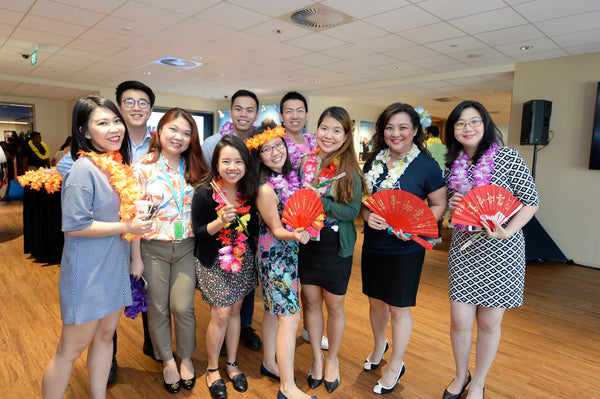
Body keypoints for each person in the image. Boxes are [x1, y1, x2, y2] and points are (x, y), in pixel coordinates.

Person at [41, 96, 152, 399]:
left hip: (113, 266)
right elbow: (76, 225)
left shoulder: (118, 167)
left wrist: (134, 255)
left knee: (105, 338)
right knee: (69, 349)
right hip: (87, 271)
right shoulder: (83, 169)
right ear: (85, 132)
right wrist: (127, 227)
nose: (114, 128)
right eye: (102, 123)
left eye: (116, 121)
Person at [442, 100, 539, 399]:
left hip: (502, 252)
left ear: (485, 125)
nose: (467, 128)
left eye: (474, 121)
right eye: (460, 123)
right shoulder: (452, 166)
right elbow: (451, 212)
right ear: (453, 130)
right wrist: (452, 207)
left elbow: (531, 200)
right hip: (464, 249)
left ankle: (479, 382)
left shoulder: (508, 157)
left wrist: (507, 231)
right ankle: (461, 375)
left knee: (488, 323)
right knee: (460, 321)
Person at [360, 103, 447, 395]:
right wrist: (365, 214)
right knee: (375, 301)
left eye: (402, 128)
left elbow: (439, 204)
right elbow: (365, 199)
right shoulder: (374, 160)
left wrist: (416, 223)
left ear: (415, 131)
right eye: (389, 127)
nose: (395, 134)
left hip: (405, 247)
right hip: (374, 243)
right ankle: (378, 347)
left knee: (399, 307)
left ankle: (396, 364)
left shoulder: (426, 164)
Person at [131, 108, 208, 393]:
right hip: (152, 249)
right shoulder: (142, 168)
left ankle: (186, 356)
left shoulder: (197, 168)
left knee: (183, 307)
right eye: (173, 130)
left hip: (187, 247)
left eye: (187, 133)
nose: (179, 137)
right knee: (159, 310)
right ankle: (168, 361)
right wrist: (135, 257)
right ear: (160, 130)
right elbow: (132, 217)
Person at [298, 106, 364, 394]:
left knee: (335, 307)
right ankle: (316, 358)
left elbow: (352, 211)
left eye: (337, 130)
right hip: (306, 246)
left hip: (337, 248)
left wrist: (321, 201)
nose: (329, 135)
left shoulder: (349, 171)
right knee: (310, 303)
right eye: (324, 128)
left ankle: (332, 360)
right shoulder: (304, 163)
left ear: (346, 135)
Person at [247, 124, 315, 399]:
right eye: (267, 149)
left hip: (287, 254)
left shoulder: (290, 179)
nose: (275, 152)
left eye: (279, 145)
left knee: (274, 312)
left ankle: (269, 363)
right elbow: (276, 229)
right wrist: (297, 235)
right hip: (274, 256)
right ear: (259, 156)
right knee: (290, 316)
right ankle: (287, 388)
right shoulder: (265, 189)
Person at [192, 135, 259, 399]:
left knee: (235, 314)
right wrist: (220, 222)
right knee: (220, 315)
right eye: (226, 161)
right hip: (214, 261)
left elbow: (253, 229)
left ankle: (232, 364)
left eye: (238, 161)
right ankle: (212, 369)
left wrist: (246, 221)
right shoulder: (204, 192)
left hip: (241, 260)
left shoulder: (249, 191)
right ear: (216, 163)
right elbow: (198, 232)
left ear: (246, 164)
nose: (233, 167)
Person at [202, 89, 262, 352]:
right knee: (224, 295)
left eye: (250, 110)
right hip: (221, 219)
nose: (244, 114)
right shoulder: (214, 141)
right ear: (231, 111)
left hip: (254, 209)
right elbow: (208, 178)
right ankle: (223, 332)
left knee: (245, 279)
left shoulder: (262, 142)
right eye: (239, 108)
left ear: (256, 114)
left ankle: (244, 327)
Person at [278, 91, 328, 351]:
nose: (294, 115)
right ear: (281, 116)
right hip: (283, 225)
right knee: (287, 284)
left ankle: (311, 330)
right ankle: (283, 334)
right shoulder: (277, 145)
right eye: (289, 111)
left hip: (313, 224)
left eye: (299, 110)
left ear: (307, 115)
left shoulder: (316, 144)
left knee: (311, 285)